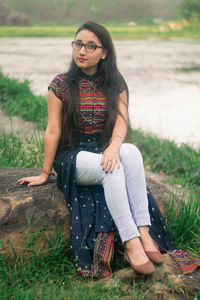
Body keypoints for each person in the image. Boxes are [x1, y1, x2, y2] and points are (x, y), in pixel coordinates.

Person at [19, 21, 163, 277]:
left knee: (130, 152)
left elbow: (121, 120)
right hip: (72, 156)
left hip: (102, 147)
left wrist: (113, 146)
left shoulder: (114, 82)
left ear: (104, 52)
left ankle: (143, 231)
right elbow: (52, 130)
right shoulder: (61, 84)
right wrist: (44, 172)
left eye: (90, 46)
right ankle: (131, 243)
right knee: (111, 168)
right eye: (78, 44)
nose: (81, 51)